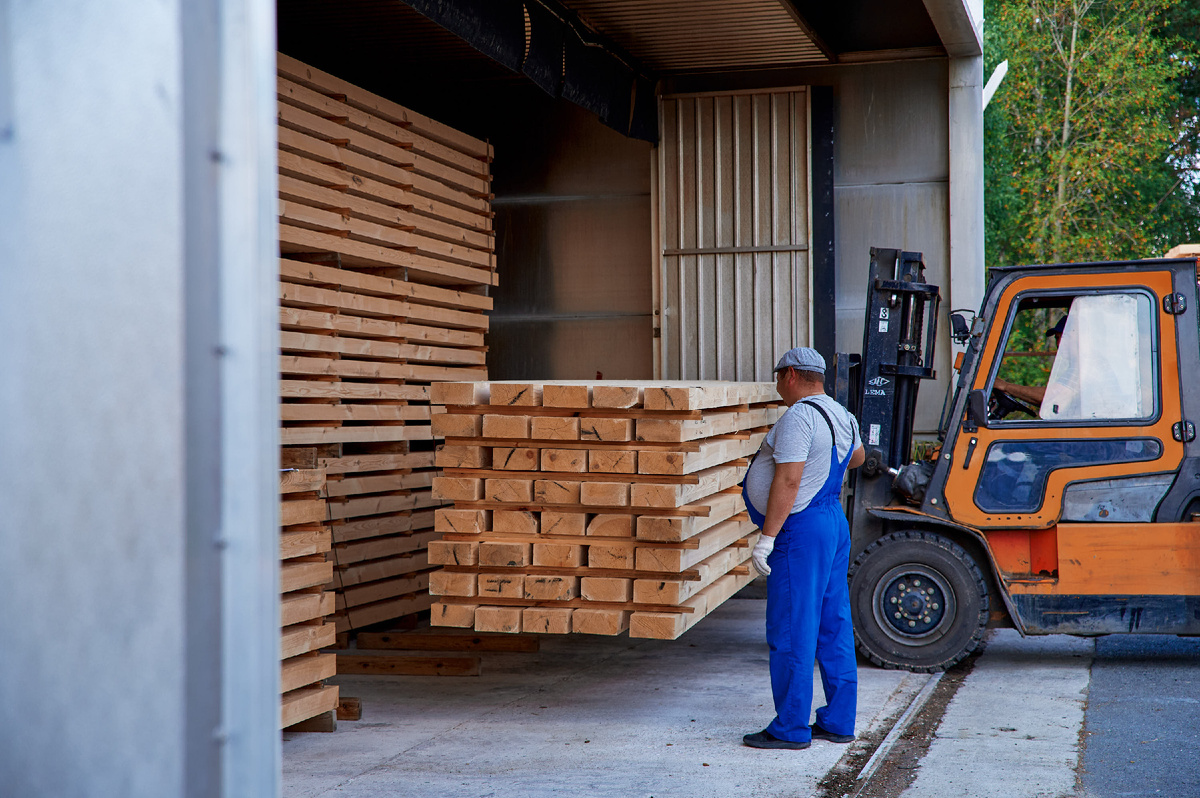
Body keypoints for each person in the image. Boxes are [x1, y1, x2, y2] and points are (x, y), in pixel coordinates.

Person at [741, 346, 866, 750]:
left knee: (793, 628)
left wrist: (767, 538)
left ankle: (791, 728)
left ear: (791, 374)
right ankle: (838, 721)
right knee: (833, 624)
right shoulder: (841, 414)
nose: (778, 385)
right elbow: (858, 458)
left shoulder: (799, 417)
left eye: (779, 377)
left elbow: (789, 481)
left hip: (802, 529)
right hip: (831, 522)